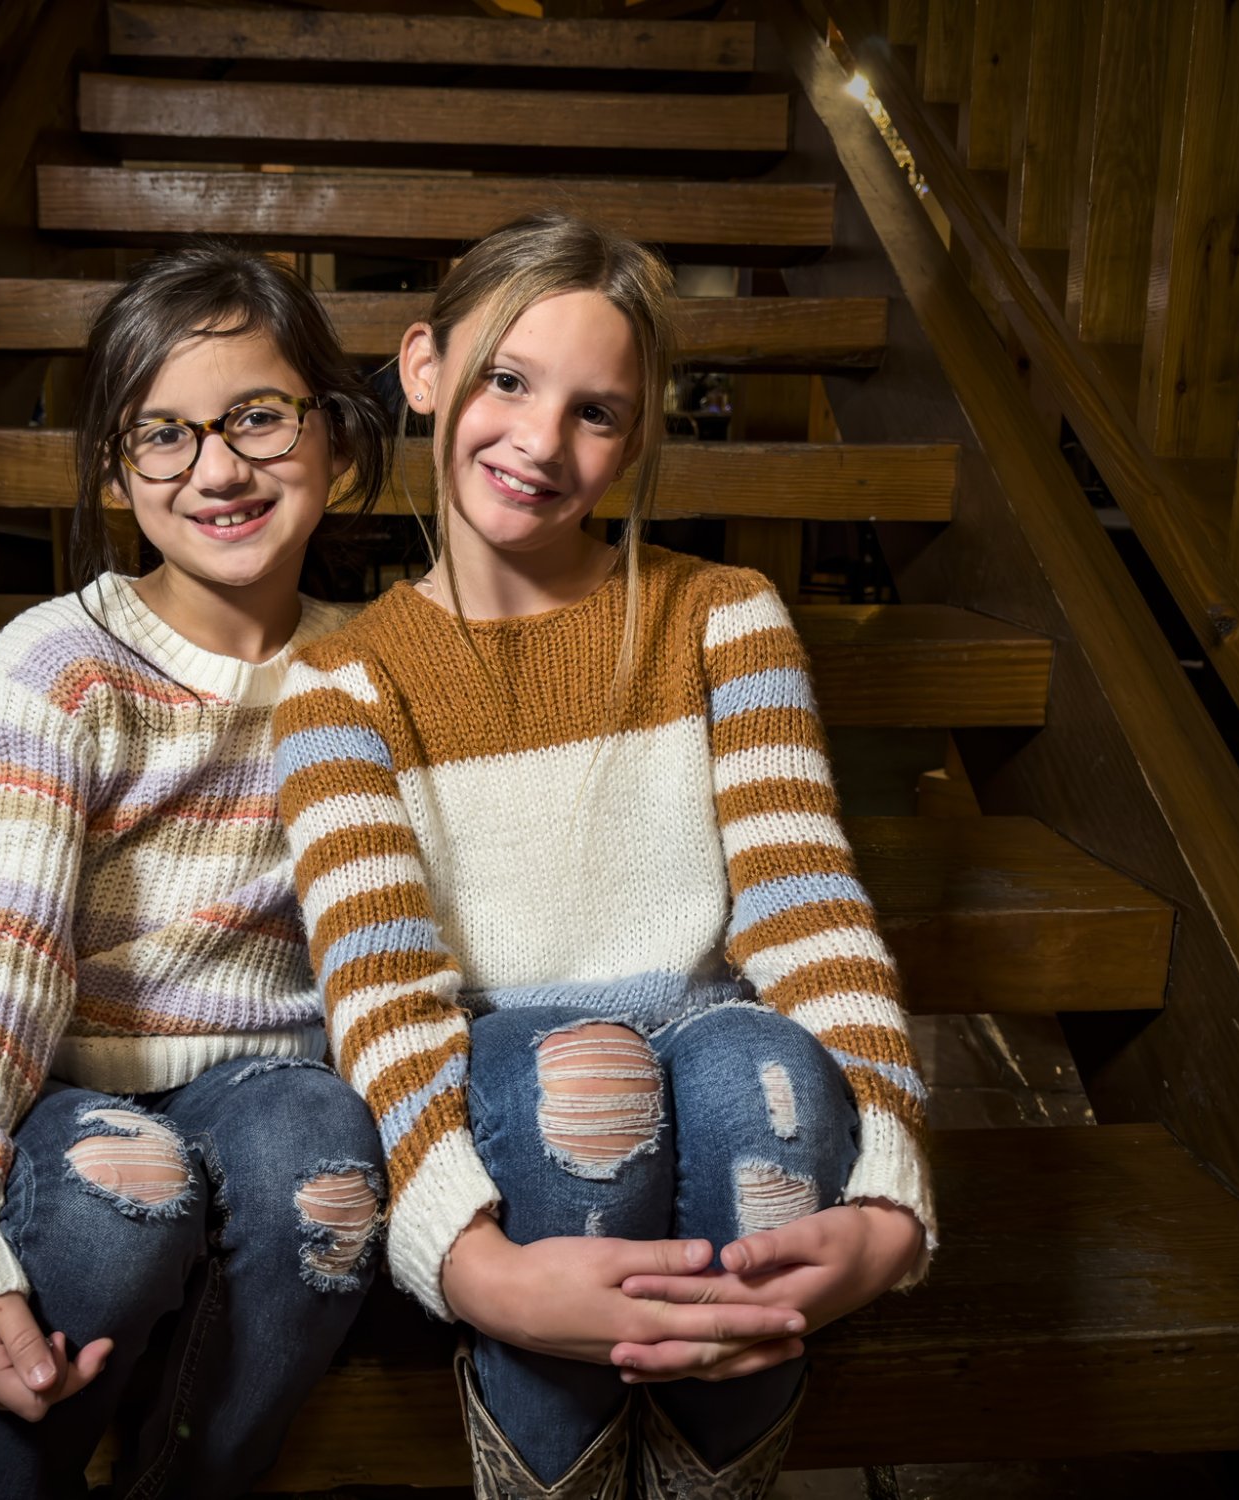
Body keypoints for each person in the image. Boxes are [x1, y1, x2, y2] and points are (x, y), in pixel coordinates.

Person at [273, 214, 936, 1497]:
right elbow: (381, 993)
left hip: (708, 1046)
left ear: (631, 441)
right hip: (511, 1091)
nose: (538, 441)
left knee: (761, 1077)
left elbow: (806, 911)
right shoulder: (342, 684)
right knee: (585, 1082)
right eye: (506, 380)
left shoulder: (721, 616)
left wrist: (890, 1201)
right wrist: (469, 1262)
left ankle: (708, 1479)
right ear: (423, 370)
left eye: (594, 412)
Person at [0, 245, 394, 1500]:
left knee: (327, 1170)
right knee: (121, 1196)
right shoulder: (60, 660)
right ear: (114, 472)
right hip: (71, 1077)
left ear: (336, 437)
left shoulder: (380, 668)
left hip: (276, 1072)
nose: (217, 469)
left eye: (257, 416)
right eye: (163, 435)